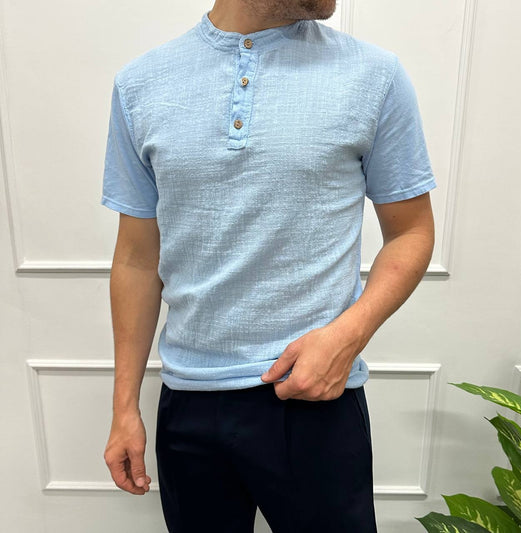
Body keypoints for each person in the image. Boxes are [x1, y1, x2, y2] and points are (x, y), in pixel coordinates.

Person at [101, 0, 436, 531]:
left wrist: (347, 337)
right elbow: (138, 259)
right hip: (188, 404)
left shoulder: (374, 76)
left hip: (315, 397)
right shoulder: (140, 84)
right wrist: (124, 408)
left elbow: (411, 232)